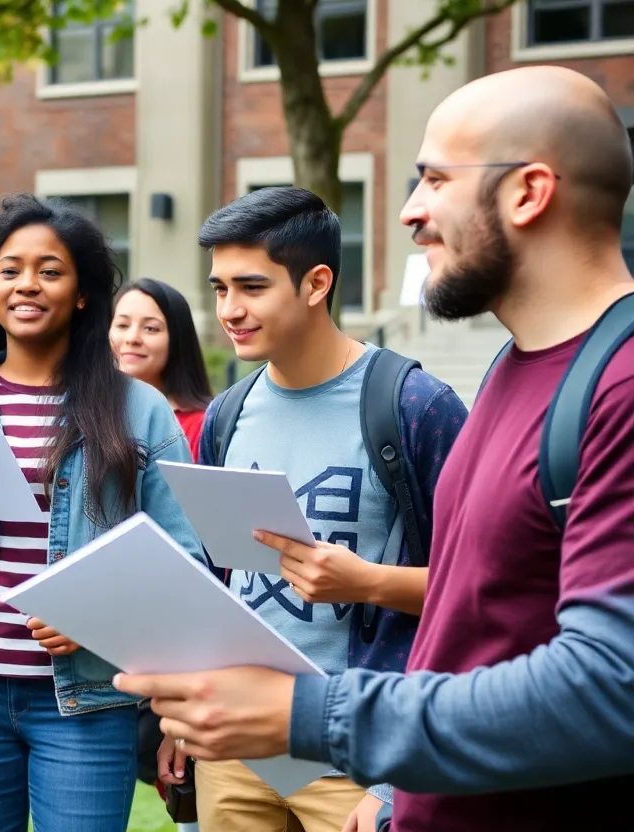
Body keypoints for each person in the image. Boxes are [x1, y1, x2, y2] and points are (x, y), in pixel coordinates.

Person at [113, 66, 634, 832]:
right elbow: (474, 621)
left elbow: (609, 688)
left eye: (433, 180)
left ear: (528, 192)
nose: (409, 215)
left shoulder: (614, 386)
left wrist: (317, 716)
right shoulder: (510, 374)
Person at [143, 187, 465, 832]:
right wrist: (191, 710)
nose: (229, 310)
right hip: (237, 751)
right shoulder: (227, 417)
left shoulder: (416, 408)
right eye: (220, 288)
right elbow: (222, 584)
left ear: (317, 283)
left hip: (359, 758)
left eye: (252, 287)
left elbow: (481, 593)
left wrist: (369, 583)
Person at [0, 193, 207, 832]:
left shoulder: (139, 409)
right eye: (10, 270)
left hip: (87, 702)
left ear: (84, 293)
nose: (26, 285)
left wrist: (102, 616)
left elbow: (189, 562)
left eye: (50, 270)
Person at [110, 278, 213, 460]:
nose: (132, 338)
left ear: (177, 340)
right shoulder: (84, 415)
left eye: (150, 328)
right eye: (122, 325)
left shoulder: (204, 425)